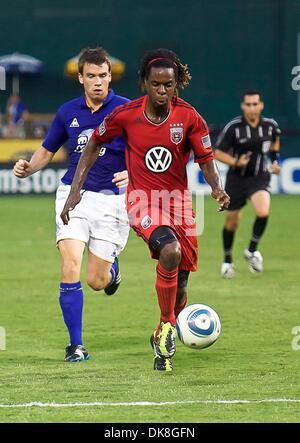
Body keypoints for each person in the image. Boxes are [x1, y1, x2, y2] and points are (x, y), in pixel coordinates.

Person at [60, 48, 230, 372]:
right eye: (156, 84)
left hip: (177, 204)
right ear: (145, 83)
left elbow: (206, 160)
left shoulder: (190, 117)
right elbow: (94, 143)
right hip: (142, 200)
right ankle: (168, 328)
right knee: (170, 250)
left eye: (169, 84)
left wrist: (218, 188)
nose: (162, 91)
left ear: (177, 83)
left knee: (180, 283)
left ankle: (160, 332)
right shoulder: (126, 115)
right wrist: (74, 192)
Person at [13, 47, 130, 362]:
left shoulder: (127, 110)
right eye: (91, 76)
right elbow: (47, 150)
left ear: (109, 77)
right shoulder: (67, 112)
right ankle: (75, 345)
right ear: (81, 78)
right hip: (72, 196)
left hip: (112, 202)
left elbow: (146, 151)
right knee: (69, 266)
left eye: (103, 76)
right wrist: (28, 167)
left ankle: (111, 271)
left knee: (96, 281)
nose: (97, 82)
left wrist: (131, 172)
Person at [214, 90, 281, 278]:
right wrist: (236, 162)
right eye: (248, 104)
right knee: (232, 223)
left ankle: (251, 250)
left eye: (255, 104)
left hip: (260, 177)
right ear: (243, 106)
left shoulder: (270, 126)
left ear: (261, 105)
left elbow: (275, 145)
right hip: (237, 180)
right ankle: (227, 261)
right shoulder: (234, 127)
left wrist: (275, 162)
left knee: (263, 212)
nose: (252, 108)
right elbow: (217, 153)